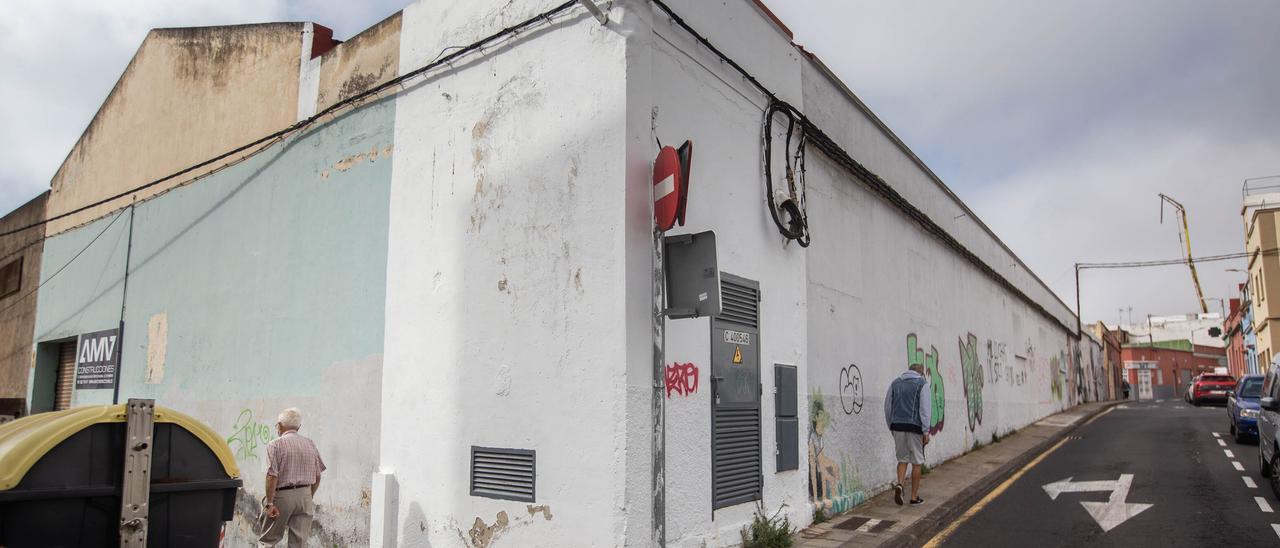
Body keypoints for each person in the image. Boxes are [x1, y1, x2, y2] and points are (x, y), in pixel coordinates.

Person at [259, 407, 326, 547]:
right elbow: (317, 475)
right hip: (305, 496)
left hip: (282, 496)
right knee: (298, 543)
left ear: (279, 425)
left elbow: (272, 475)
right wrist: (309, 495)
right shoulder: (310, 444)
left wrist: (269, 503)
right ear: (299, 427)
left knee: (269, 540)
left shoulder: (275, 444)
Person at [884, 363, 931, 506]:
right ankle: (914, 497)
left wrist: (891, 426)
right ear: (921, 373)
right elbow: (924, 409)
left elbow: (887, 407)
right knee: (917, 461)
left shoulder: (895, 383)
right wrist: (926, 431)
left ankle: (900, 484)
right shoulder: (922, 384)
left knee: (902, 459)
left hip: (897, 426)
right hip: (915, 427)